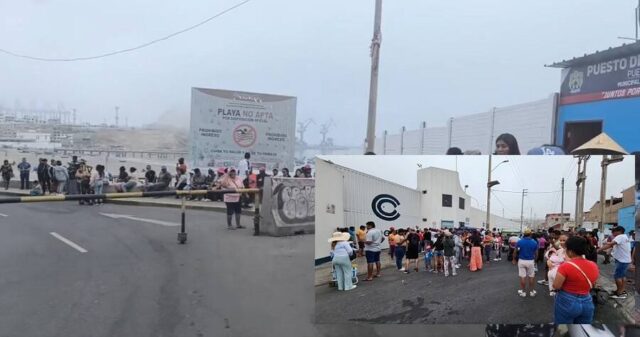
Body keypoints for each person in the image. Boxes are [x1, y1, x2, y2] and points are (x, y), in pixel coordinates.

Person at [552, 236, 599, 324]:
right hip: (587, 301)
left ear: (570, 251)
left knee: (564, 329)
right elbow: (593, 283)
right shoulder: (593, 265)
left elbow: (556, 286)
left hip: (567, 300)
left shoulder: (566, 266)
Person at [598, 226, 632, 299]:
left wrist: (598, 250)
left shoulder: (620, 236)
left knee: (617, 277)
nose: (612, 233)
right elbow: (612, 246)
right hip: (625, 260)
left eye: (613, 231)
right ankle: (622, 291)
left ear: (619, 231)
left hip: (622, 261)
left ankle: (619, 293)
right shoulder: (625, 237)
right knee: (622, 276)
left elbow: (610, 244)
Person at [514, 228, 538, 297]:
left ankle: (523, 292)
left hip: (521, 261)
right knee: (531, 277)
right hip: (530, 261)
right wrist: (535, 260)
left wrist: (514, 259)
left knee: (522, 277)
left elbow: (515, 251)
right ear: (530, 234)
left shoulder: (520, 241)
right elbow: (536, 253)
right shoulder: (534, 242)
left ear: (524, 234)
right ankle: (531, 292)